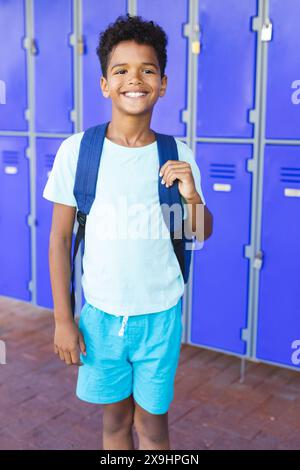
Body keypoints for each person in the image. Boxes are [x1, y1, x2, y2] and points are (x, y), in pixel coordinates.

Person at [43, 13, 213, 451]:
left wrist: (191, 194)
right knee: (115, 424)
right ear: (104, 84)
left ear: (163, 83)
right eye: (121, 70)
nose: (134, 80)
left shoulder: (178, 153)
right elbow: (61, 240)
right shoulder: (79, 151)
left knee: (153, 428)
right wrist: (64, 319)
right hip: (100, 317)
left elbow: (201, 231)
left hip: (160, 316)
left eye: (147, 70)